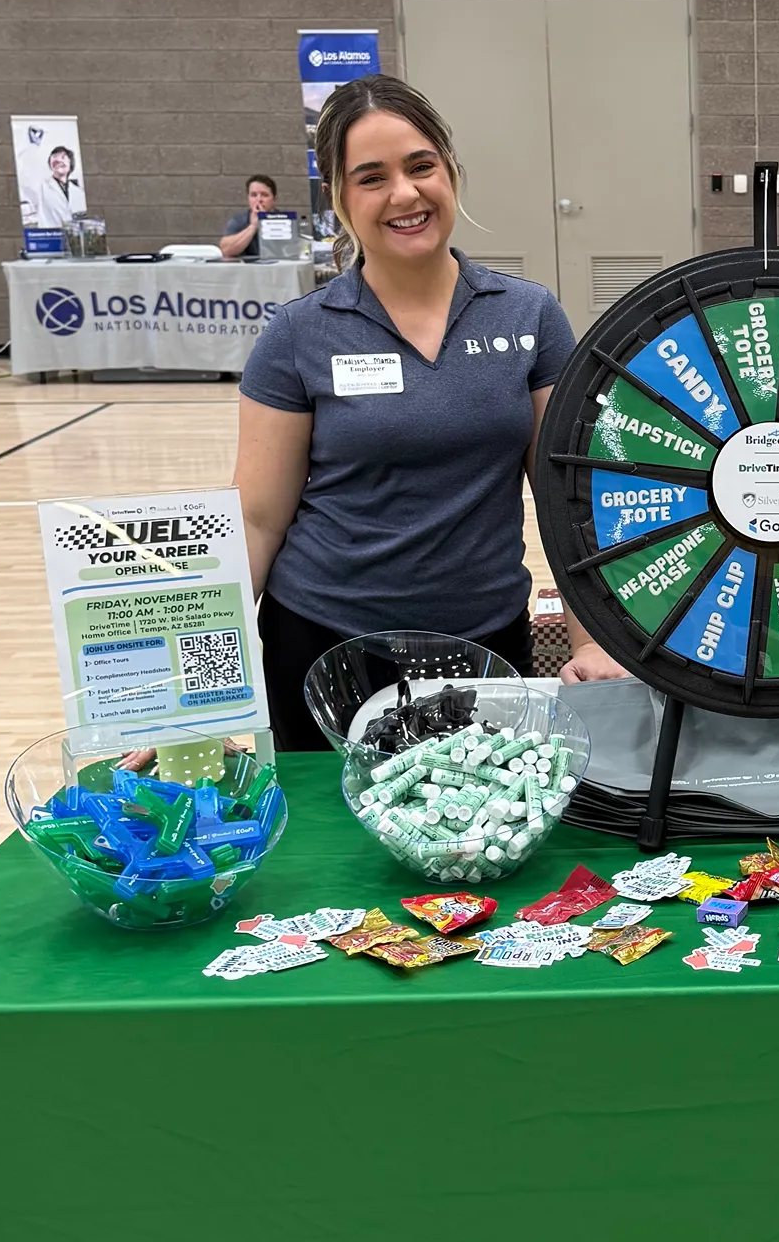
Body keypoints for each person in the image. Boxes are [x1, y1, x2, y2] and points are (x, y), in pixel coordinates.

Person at [233, 74, 622, 753]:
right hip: (321, 650)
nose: (405, 194)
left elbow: (568, 499)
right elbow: (257, 523)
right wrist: (194, 700)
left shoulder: (527, 314)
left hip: (484, 644)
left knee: (470, 842)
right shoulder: (297, 334)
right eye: (372, 177)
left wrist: (591, 642)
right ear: (339, 198)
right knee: (329, 852)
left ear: (450, 171)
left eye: (421, 167)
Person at [221, 174, 283, 260]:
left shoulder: (285, 220)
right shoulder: (239, 220)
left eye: (264, 195)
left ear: (274, 198)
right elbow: (226, 250)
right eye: (254, 195)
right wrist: (253, 227)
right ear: (248, 198)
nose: (259, 200)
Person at [30, 146, 84, 229]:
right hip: (50, 237)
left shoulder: (79, 192)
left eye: (63, 157)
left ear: (71, 163)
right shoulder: (41, 186)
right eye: (55, 158)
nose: (59, 161)